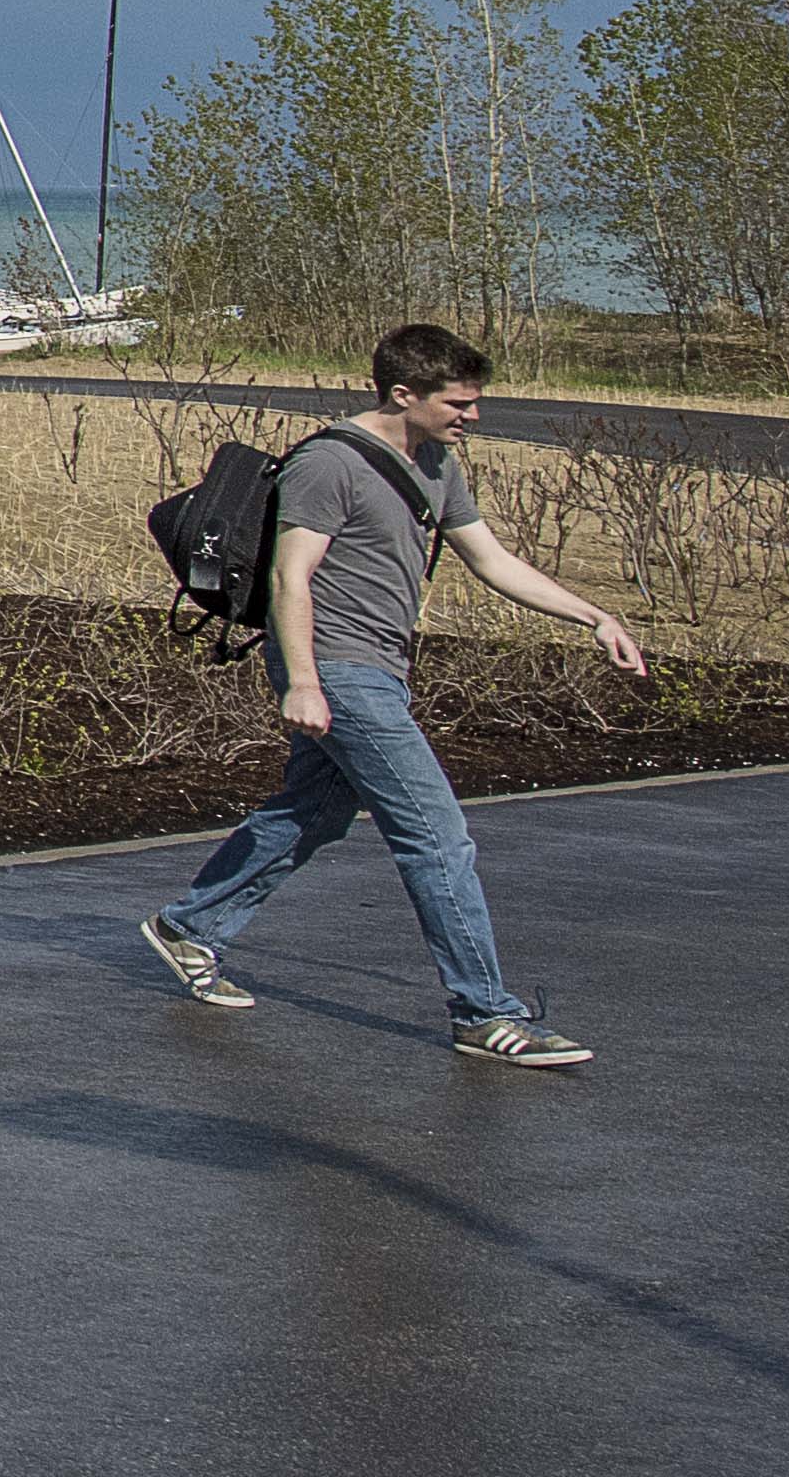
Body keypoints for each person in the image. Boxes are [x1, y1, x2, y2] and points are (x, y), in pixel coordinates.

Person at [139, 323, 645, 1066]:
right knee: (437, 835)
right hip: (337, 670)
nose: (471, 416)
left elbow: (492, 560)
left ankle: (190, 927)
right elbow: (290, 579)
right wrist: (304, 681)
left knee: (313, 813)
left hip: (379, 667)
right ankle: (484, 1013)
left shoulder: (436, 463)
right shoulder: (330, 465)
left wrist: (594, 616)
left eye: (474, 403)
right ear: (403, 393)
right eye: (458, 403)